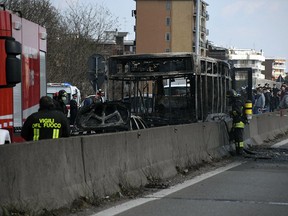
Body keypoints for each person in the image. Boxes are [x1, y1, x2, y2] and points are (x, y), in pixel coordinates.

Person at [226, 89, 248, 155]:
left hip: (239, 121)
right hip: (237, 121)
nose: (229, 99)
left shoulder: (237, 102)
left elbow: (238, 112)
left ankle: (240, 151)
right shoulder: (238, 101)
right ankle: (238, 150)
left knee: (239, 138)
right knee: (237, 137)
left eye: (230, 98)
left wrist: (231, 112)